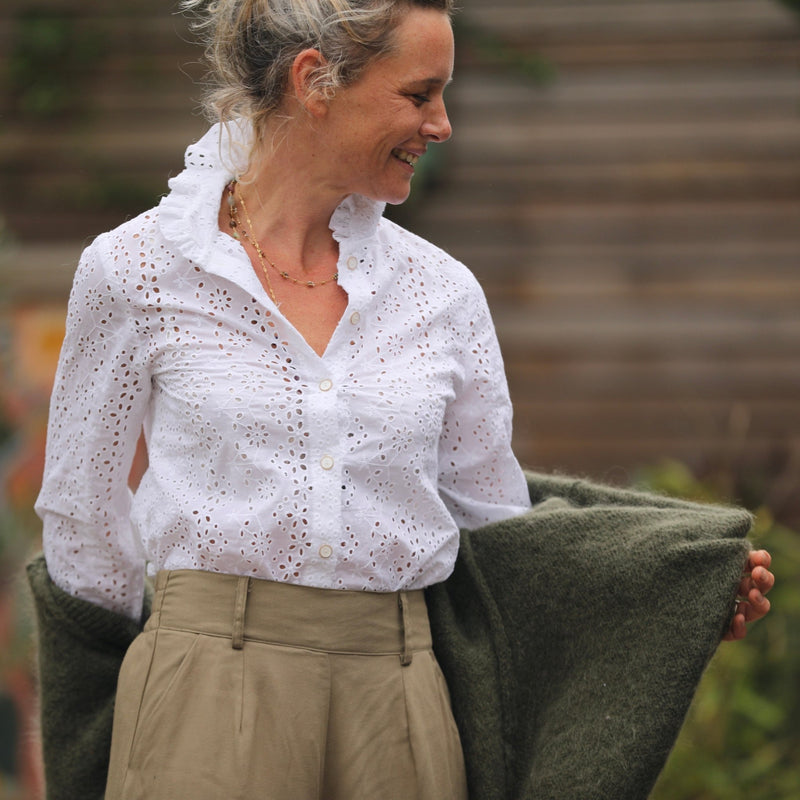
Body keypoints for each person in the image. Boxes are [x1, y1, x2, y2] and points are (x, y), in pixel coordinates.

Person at [33, 1, 773, 798]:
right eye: (419, 95)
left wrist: (670, 587)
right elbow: (83, 523)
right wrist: (96, 727)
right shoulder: (137, 270)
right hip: (204, 691)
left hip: (400, 701)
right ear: (315, 81)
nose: (442, 123)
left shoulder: (441, 293)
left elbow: (497, 531)